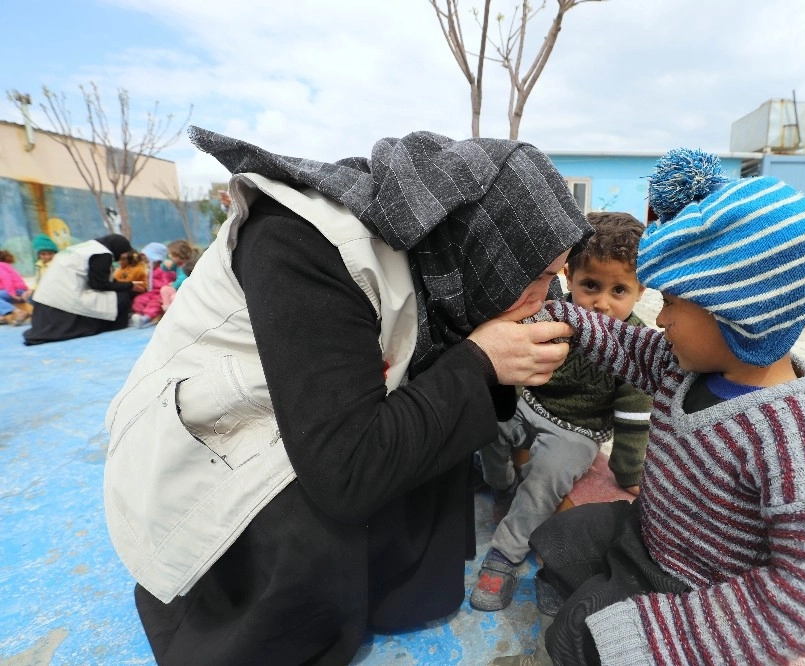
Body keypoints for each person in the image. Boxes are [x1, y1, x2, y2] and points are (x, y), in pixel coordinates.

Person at [103, 127, 593, 666]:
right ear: (488, 246)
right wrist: (481, 360)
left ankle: (383, 588)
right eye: (539, 276)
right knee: (326, 504)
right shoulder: (302, 241)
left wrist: (489, 364)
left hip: (320, 423)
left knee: (445, 416)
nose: (543, 298)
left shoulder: (437, 255)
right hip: (214, 451)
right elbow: (343, 466)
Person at [493, 149, 805, 666]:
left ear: (736, 313)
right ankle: (581, 595)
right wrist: (550, 314)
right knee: (560, 537)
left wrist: (666, 635)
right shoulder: (685, 366)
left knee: (581, 634)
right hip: (650, 529)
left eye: (673, 303)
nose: (659, 322)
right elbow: (623, 344)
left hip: (690, 585)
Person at [472, 211, 652, 612]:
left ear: (640, 290)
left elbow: (635, 416)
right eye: (591, 285)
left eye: (618, 290)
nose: (602, 304)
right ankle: (500, 483)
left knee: (546, 478)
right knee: (481, 423)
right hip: (530, 406)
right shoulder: (552, 313)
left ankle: (505, 554)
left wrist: (628, 472)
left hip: (578, 432)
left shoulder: (636, 345)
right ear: (569, 276)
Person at [23, 234, 142, 345]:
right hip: (64, 300)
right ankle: (119, 321)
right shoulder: (102, 254)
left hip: (45, 300)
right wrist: (129, 285)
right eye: (123, 253)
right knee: (122, 297)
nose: (122, 257)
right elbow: (100, 285)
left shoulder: (85, 248)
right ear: (118, 248)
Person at [130, 242, 175, 328]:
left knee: (154, 303)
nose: (145, 262)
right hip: (151, 293)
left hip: (159, 294)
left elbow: (167, 284)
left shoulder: (164, 270)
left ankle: (146, 318)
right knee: (139, 299)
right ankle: (139, 315)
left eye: (148, 260)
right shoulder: (151, 270)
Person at [158, 239, 197, 311]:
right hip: (178, 289)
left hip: (187, 290)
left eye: (171, 255)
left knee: (174, 297)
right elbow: (165, 269)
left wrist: (174, 285)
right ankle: (167, 310)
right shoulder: (178, 264)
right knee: (165, 289)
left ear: (179, 255)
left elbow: (183, 278)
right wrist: (166, 263)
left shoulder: (188, 265)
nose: (169, 256)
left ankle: (176, 313)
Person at [0, 249, 30, 325]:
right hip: (19, 290)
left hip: (16, 291)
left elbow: (7, 279)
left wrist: (12, 294)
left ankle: (18, 312)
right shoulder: (6, 266)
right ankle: (4, 316)